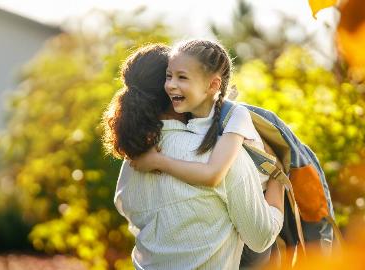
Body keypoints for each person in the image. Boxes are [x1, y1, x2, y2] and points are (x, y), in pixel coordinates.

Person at [102, 42, 285, 269]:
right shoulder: (223, 155)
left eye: (182, 76)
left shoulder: (134, 162)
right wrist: (279, 178)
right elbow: (261, 237)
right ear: (167, 90)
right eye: (171, 76)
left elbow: (131, 215)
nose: (174, 84)